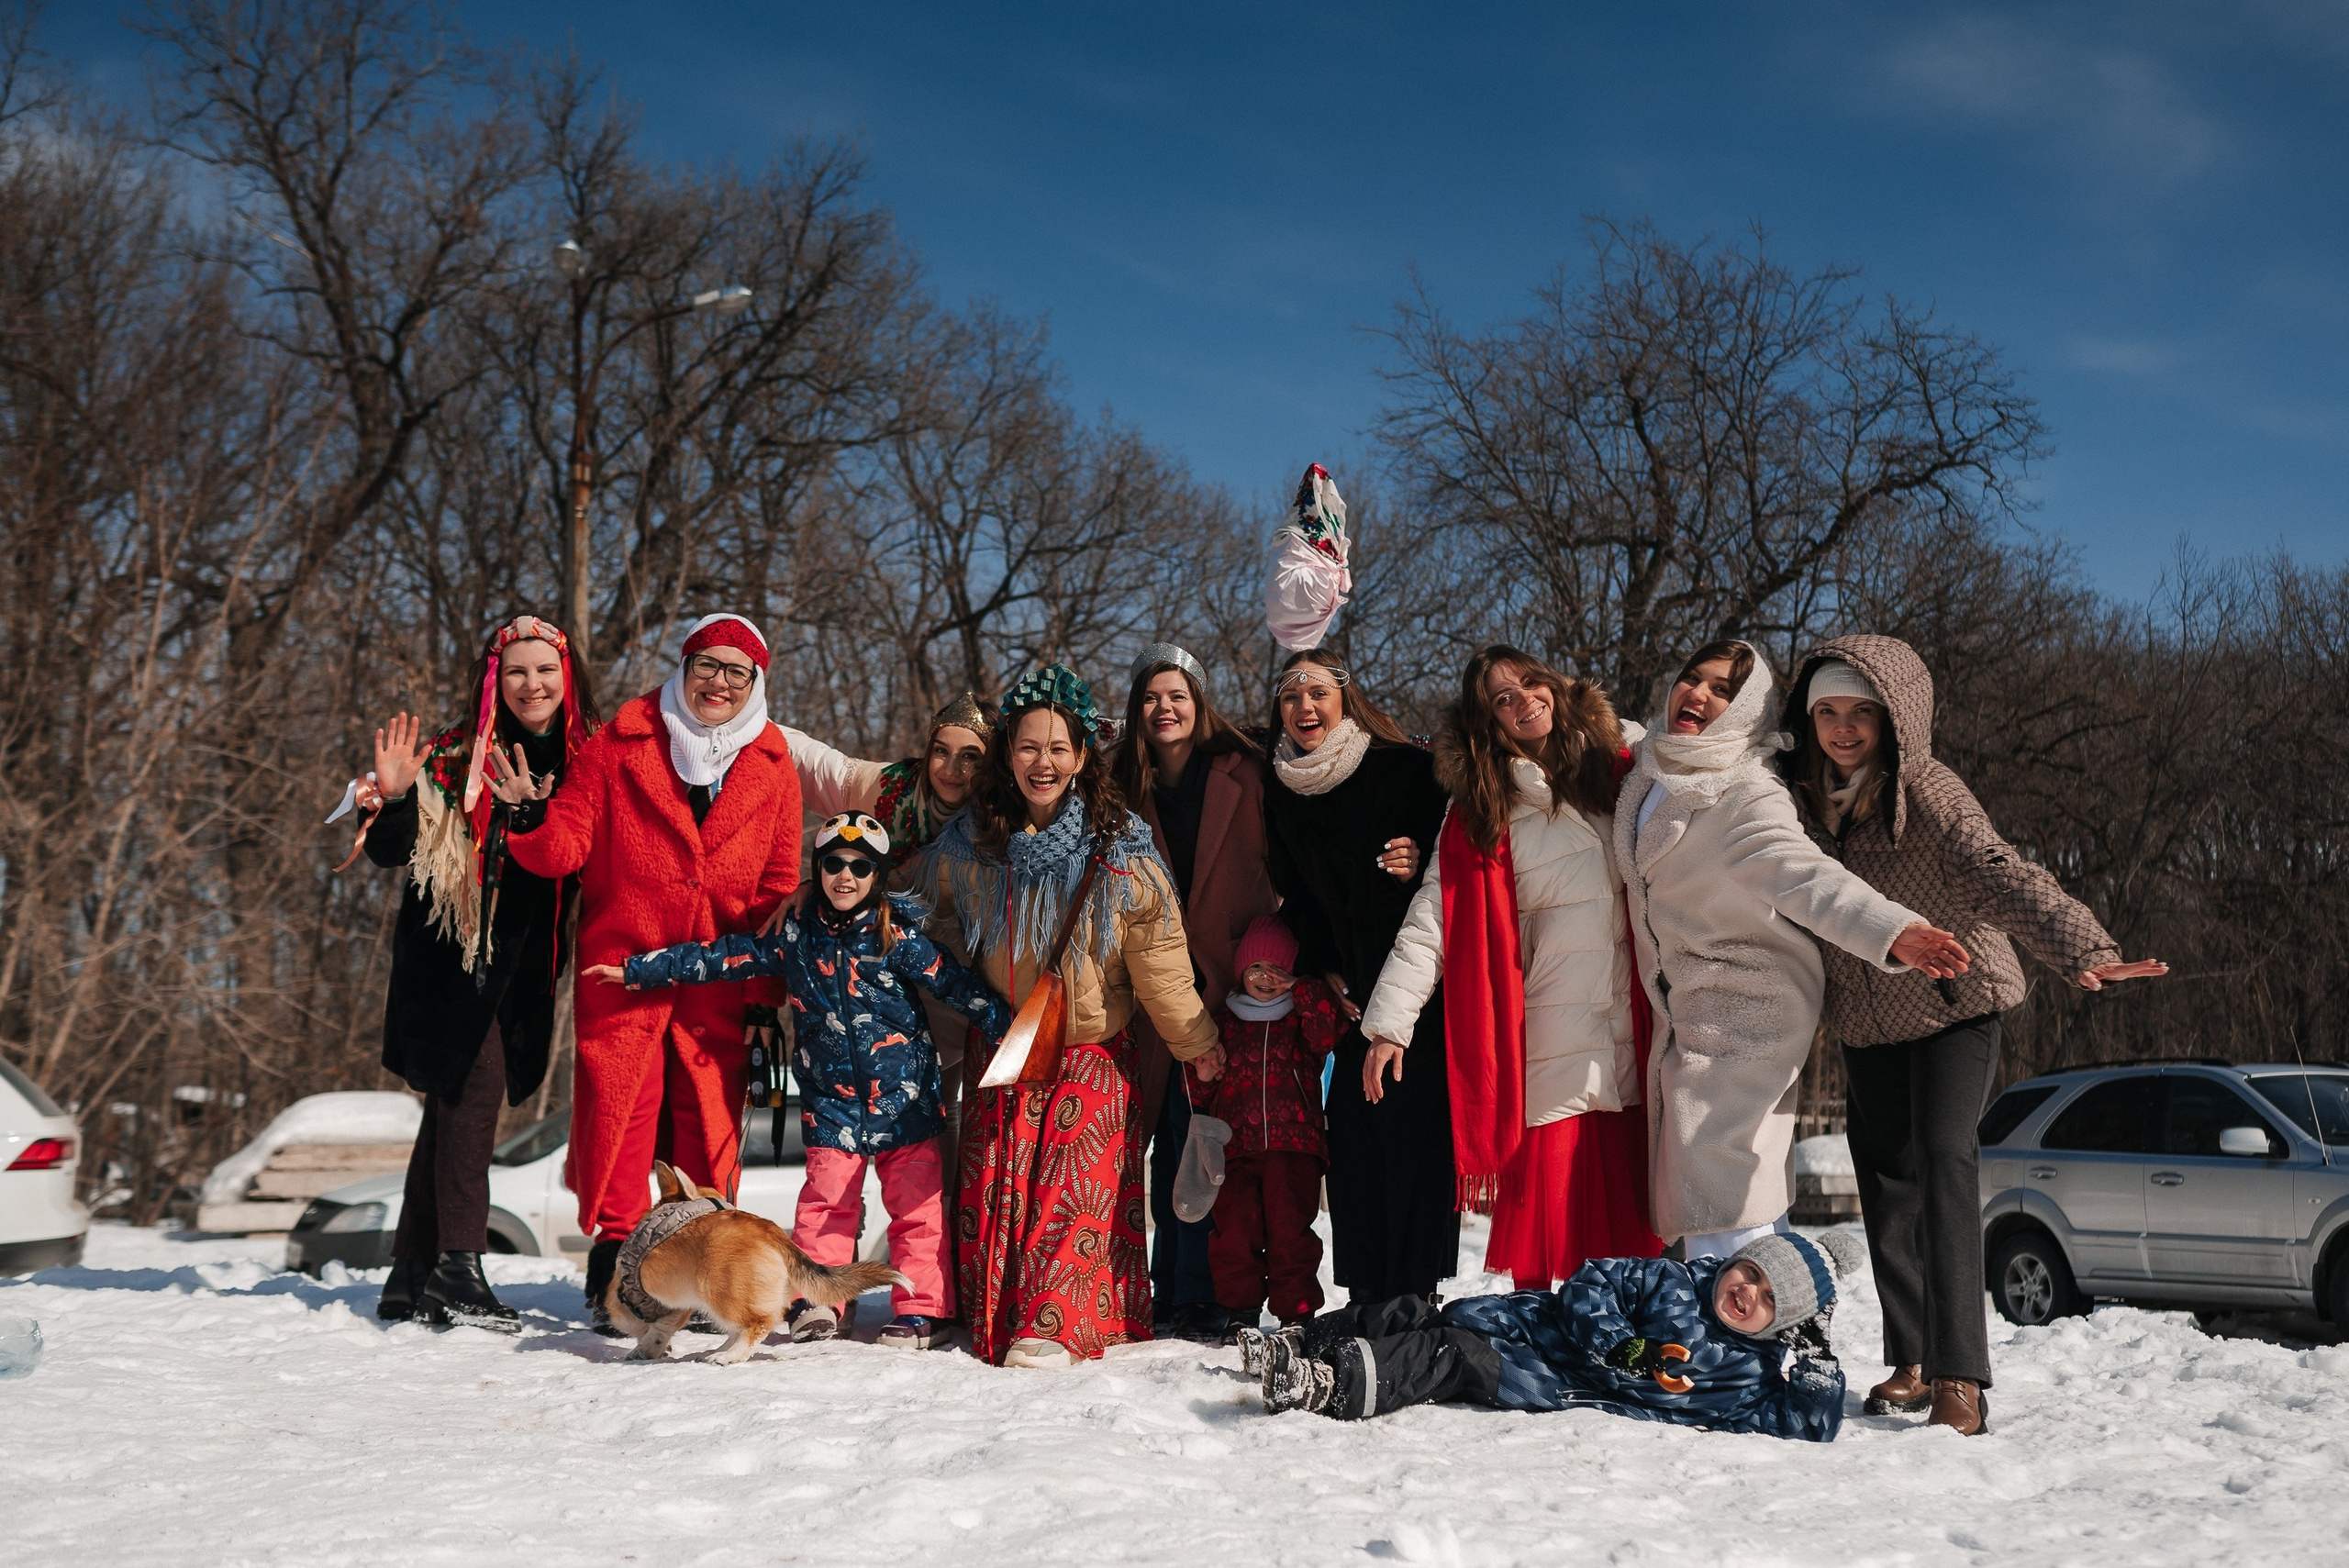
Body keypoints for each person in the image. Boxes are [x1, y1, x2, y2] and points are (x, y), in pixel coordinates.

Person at [1781, 636, 2167, 1436]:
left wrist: (2083, 948)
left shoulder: (1929, 791)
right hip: (1866, 1015)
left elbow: (2001, 870)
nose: (1844, 728)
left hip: (1956, 1001)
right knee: (1884, 1177)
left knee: (1943, 1156)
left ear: (1895, 716)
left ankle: (1961, 1374)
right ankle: (1913, 1358)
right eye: (1828, 712)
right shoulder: (1797, 796)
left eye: (1861, 712)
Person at [586, 812, 1011, 1351]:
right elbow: (723, 956)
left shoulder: (898, 937)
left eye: (861, 867)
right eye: (833, 863)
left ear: (878, 876)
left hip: (904, 1101)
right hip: (831, 1102)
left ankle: (922, 1309)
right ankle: (817, 1302)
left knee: (918, 1210)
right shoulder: (795, 935)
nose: (845, 876)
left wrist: (1014, 1032)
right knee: (825, 1206)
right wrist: (637, 970)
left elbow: (960, 988)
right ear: (818, 868)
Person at [491, 612, 804, 1332]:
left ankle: (703, 1272)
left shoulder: (772, 762)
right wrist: (530, 818)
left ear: (756, 682)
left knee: (707, 1128)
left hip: (719, 981)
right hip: (621, 971)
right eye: (706, 665)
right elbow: (568, 842)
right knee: (621, 1121)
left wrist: (764, 995)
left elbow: (776, 888)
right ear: (683, 668)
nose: (719, 682)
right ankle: (617, 1277)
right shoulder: (619, 743)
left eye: (737, 671)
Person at [1615, 640, 1971, 1264]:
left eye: (1722, 689)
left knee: (1721, 1168)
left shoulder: (1746, 790)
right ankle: (1759, 1303)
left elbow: (1804, 873)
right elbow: (1578, 729)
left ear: (1747, 709)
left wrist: (1890, 929)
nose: (1699, 694)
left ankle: (1747, 1306)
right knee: (1723, 1170)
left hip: (1751, 1002)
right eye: (1693, 678)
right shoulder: (1653, 764)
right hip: (1691, 1002)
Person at [919, 663, 1223, 1367]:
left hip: (1091, 1049)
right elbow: (928, 919)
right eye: (1028, 746)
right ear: (1007, 753)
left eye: (1059, 747)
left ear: (1083, 755)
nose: (1043, 762)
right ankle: (1000, 1310)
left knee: (1072, 1182)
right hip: (1009, 1045)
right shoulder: (970, 843)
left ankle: (1051, 1324)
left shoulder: (1122, 847)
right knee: (1003, 1191)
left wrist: (1195, 1039)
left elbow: (1160, 960)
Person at [1359, 645, 1657, 1291]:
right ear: (1489, 722)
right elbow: (1436, 919)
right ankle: (1542, 1332)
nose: (1523, 701)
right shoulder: (1483, 806)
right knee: (1553, 1207)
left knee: (1629, 1210)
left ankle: (1623, 1332)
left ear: (1552, 682)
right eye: (1502, 698)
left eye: (1528, 682)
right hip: (1551, 1023)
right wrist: (1389, 1024)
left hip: (1629, 1014)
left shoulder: (1623, 766)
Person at [356, 616, 596, 1329]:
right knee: (474, 1086)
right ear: (496, 678)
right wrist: (396, 796)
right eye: (517, 670)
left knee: (453, 1103)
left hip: (525, 962)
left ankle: (411, 1268)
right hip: (448, 954)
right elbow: (391, 850)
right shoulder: (454, 753)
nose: (533, 684)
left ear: (567, 676)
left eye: (545, 670)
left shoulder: (589, 757)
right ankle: (459, 1265)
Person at [1250, 1229, 1865, 1442]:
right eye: (1751, 1272)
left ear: (1782, 1326)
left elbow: (1806, 1425)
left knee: (1452, 1355)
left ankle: (1329, 1383)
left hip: (1545, 1378)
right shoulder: (1672, 1280)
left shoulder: (1747, 1381)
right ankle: (1304, 1341)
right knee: (1419, 1313)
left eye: (1769, 1300)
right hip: (1533, 1323)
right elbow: (1592, 1283)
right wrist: (1621, 1341)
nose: (1748, 1292)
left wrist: (1817, 1357)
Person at [1261, 648, 1458, 1304]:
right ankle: (1367, 1297)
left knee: (1414, 1140)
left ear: (1346, 698)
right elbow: (1293, 895)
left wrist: (1418, 856)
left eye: (1318, 691)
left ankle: (1417, 1293)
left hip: (1417, 992)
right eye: (1291, 695)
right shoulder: (1279, 787)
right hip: (1347, 995)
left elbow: (1454, 860)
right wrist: (1323, 969)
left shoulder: (1404, 767)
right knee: (1355, 1143)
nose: (1305, 706)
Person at [1112, 641, 1278, 1341]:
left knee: (1210, 1139)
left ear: (1198, 702)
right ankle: (1167, 1288)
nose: (1165, 708)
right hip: (1151, 988)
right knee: (1161, 1137)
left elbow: (1281, 861)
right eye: (1151, 697)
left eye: (1177, 695)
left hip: (1234, 978)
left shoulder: (1246, 770)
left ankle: (1207, 1291)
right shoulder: (1121, 784)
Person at [768, 695, 996, 1187]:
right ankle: (844, 1230)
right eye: (941, 751)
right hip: (874, 988)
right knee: (853, 1129)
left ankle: (946, 1227)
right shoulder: (884, 790)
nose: (951, 769)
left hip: (954, 985)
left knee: (946, 1116)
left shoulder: (1000, 818)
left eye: (970, 757)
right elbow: (806, 757)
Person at [1186, 916, 1345, 1331]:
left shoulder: (1301, 1016)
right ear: (1240, 971)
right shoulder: (1224, 1020)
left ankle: (1297, 1313)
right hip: (1235, 1149)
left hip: (1294, 1149)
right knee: (1234, 1235)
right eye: (1255, 967)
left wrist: (1301, 987)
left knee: (1291, 1233)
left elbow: (1329, 1033)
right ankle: (1240, 1313)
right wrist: (1202, 1074)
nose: (1265, 977)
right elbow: (1200, 1088)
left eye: (1276, 969)